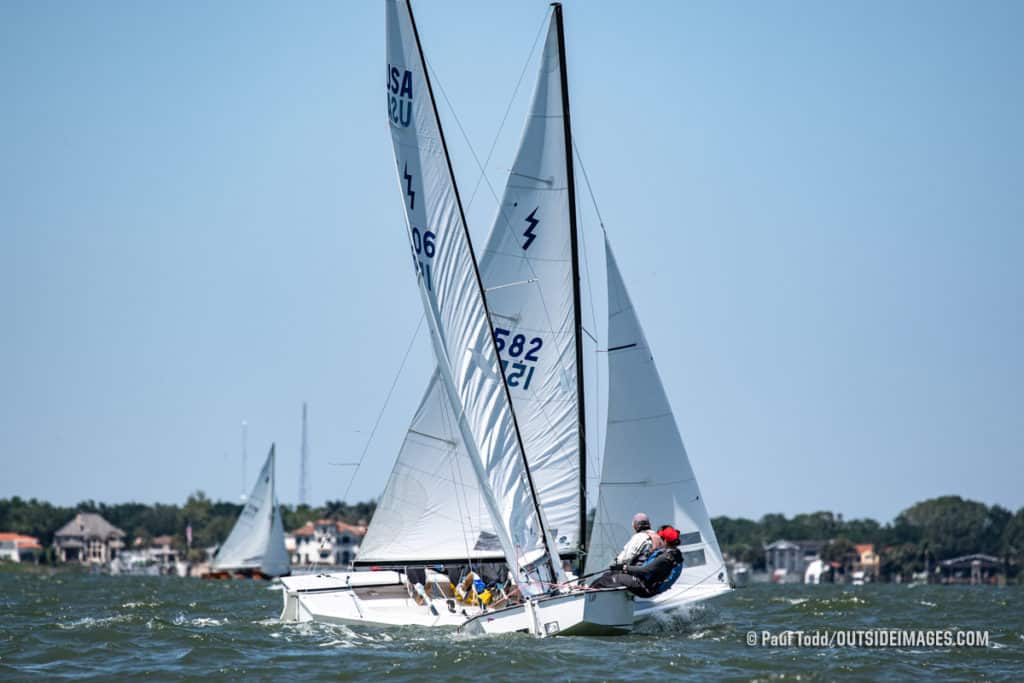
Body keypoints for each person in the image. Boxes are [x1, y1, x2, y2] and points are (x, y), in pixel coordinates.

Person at [593, 526, 685, 598]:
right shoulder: (676, 554)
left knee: (607, 579)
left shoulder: (665, 558)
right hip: (647, 586)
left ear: (665, 541)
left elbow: (645, 570)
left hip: (644, 588)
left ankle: (589, 594)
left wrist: (624, 567)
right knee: (609, 574)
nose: (659, 538)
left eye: (661, 537)